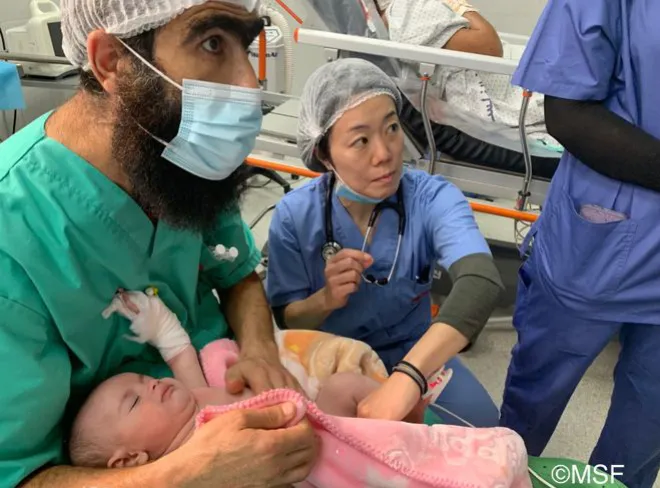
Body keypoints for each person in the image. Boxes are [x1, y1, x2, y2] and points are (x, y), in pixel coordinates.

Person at [0, 1, 321, 487]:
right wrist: (187, 473)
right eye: (212, 43)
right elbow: (17, 473)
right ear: (111, 60)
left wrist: (258, 350)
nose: (247, 85)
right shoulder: (14, 236)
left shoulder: (175, 158)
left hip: (233, 397)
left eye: (245, 45)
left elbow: (237, 275)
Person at [265, 57, 505, 425]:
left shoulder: (430, 198)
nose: (386, 153)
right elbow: (286, 317)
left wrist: (408, 377)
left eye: (391, 128)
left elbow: (481, 281)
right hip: (332, 357)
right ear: (324, 155)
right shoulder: (295, 216)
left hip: (415, 354)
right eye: (361, 140)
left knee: (483, 427)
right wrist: (325, 300)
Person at [498, 1, 660, 487]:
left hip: (611, 238)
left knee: (643, 429)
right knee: (523, 421)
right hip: (601, 242)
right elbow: (567, 115)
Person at [68, 289, 387, 469]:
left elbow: (179, 352)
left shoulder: (197, 395)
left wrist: (156, 319)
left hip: (327, 435)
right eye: (134, 401)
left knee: (344, 386)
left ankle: (406, 415)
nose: (151, 383)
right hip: (305, 473)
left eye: (143, 378)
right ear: (129, 460)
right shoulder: (186, 465)